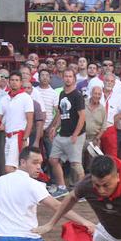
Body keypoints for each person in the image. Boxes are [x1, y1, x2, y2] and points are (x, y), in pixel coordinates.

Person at [48, 68, 86, 197]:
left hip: (75, 134)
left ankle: (83, 192)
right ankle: (62, 187)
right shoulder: (62, 94)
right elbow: (61, 113)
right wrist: (55, 127)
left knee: (76, 164)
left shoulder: (77, 95)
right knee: (53, 159)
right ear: (63, 78)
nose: (68, 78)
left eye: (70, 76)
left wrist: (76, 134)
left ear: (74, 79)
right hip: (62, 133)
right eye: (66, 76)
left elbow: (82, 116)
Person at [0, 71, 34, 174]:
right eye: (12, 80)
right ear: (8, 81)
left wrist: (25, 139)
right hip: (7, 137)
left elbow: (30, 121)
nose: (14, 82)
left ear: (21, 82)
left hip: (19, 136)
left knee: (11, 168)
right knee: (11, 168)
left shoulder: (26, 98)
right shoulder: (5, 99)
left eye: (17, 80)